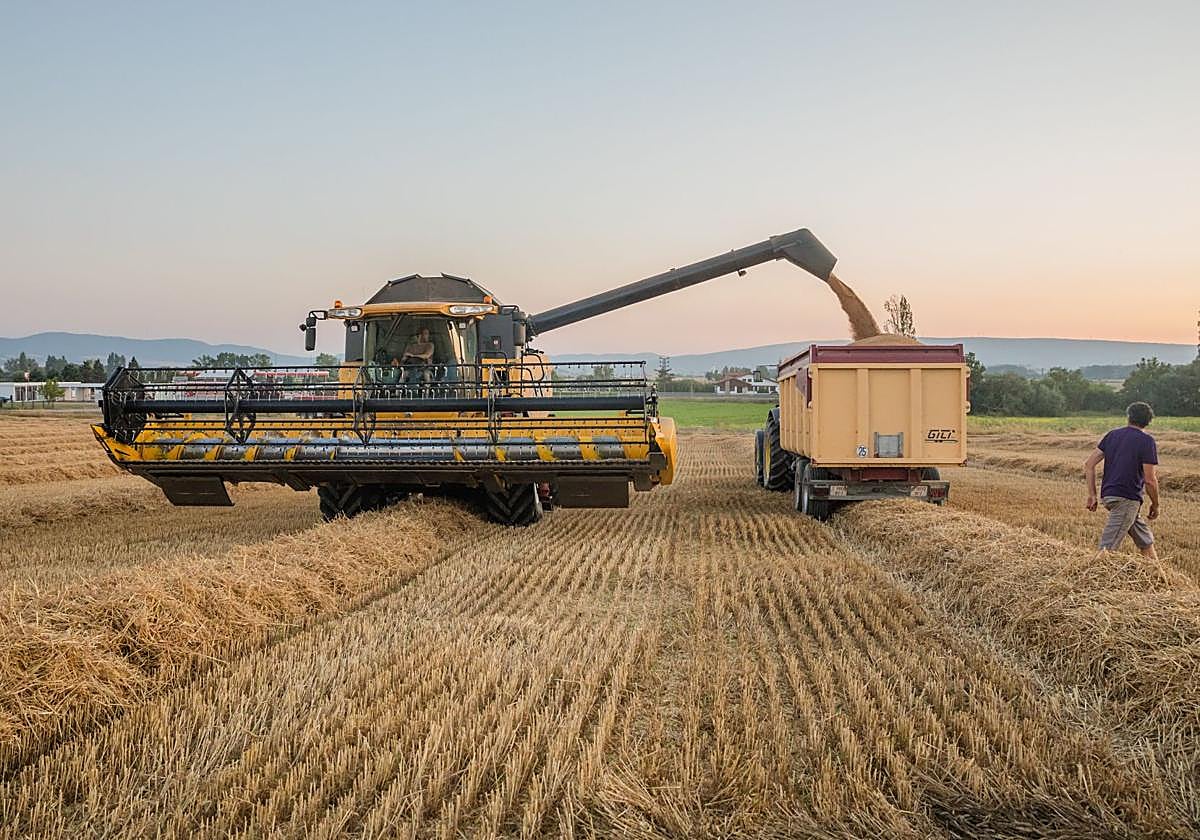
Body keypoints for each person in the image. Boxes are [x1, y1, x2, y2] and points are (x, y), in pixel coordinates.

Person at [1085, 401, 1160, 559]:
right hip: (1127, 499)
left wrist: (1092, 495)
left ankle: (1159, 577)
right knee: (1106, 551)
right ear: (1149, 421)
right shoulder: (1147, 441)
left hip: (1109, 495)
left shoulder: (1112, 435)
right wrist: (1155, 504)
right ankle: (1089, 581)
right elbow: (1150, 480)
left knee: (1145, 541)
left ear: (1128, 417)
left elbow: (1089, 465)